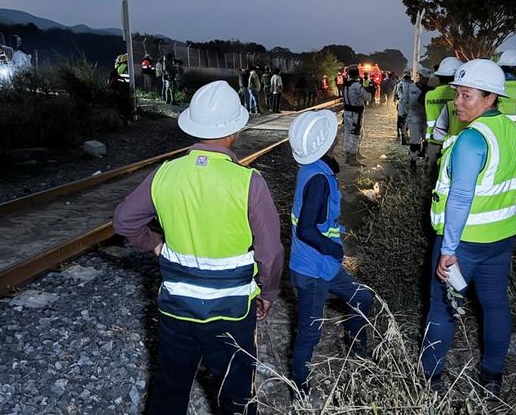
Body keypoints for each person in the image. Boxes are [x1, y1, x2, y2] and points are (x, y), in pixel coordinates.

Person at [112, 81, 284, 415]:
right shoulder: (248, 181)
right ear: (234, 130)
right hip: (232, 314)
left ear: (193, 127)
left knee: (170, 389)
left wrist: (156, 244)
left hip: (177, 310)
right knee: (235, 397)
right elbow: (271, 253)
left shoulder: (165, 174)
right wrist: (268, 293)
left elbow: (124, 221)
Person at [423, 59, 516, 398]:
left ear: (490, 98)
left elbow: (459, 198)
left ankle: (429, 380)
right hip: (501, 237)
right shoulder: (507, 128)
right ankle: (492, 377)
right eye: (457, 93)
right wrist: (504, 178)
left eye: (467, 96)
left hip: (464, 243)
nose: (458, 102)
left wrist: (448, 250)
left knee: (442, 310)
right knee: (495, 305)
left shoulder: (470, 140)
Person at [287, 110, 374, 392]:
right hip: (314, 269)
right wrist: (335, 249)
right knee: (309, 333)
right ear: (324, 142)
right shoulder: (319, 179)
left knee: (362, 298)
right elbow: (307, 230)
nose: (337, 135)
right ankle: (300, 387)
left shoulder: (313, 169)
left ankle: (358, 354)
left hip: (322, 266)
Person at [425, 57, 463, 181]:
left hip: (433, 141)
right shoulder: (459, 96)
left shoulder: (429, 95)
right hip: (455, 142)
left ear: (439, 76)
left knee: (433, 176)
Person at [343, 68, 372, 166]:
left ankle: (349, 156)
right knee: (355, 134)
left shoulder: (345, 85)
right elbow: (367, 97)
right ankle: (353, 157)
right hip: (356, 114)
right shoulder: (357, 85)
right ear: (357, 75)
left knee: (348, 133)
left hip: (347, 112)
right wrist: (369, 90)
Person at [400, 75, 427, 165]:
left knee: (425, 140)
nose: (424, 80)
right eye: (423, 78)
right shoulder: (411, 87)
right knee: (414, 141)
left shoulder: (431, 89)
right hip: (415, 118)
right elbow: (404, 101)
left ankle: (423, 156)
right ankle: (413, 161)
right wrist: (406, 113)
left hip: (425, 119)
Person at [395, 72, 412, 143]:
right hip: (410, 105)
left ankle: (400, 134)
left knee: (400, 120)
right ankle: (404, 134)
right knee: (407, 120)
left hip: (401, 105)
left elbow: (396, 95)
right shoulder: (413, 85)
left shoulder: (399, 84)